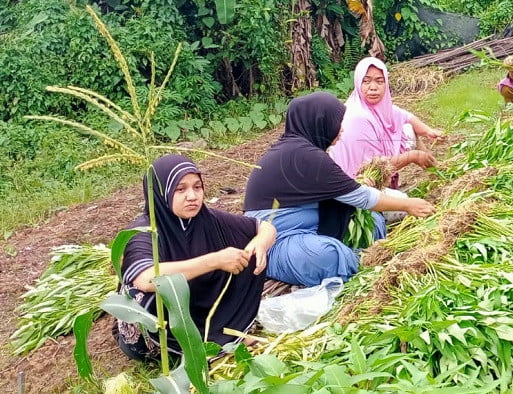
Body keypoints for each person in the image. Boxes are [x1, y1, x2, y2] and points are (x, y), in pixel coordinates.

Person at [243, 92, 436, 287]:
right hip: (276, 240)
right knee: (328, 256)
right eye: (336, 123)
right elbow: (361, 197)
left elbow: (344, 191)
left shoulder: (302, 150)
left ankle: (357, 255)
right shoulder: (303, 155)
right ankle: (356, 260)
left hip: (310, 226)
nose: (341, 129)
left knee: (373, 221)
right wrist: (408, 205)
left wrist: (357, 184)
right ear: (320, 123)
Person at [114, 154, 277, 361]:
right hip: (159, 328)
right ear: (160, 192)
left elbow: (266, 227)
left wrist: (260, 243)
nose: (192, 196)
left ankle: (226, 334)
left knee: (249, 254)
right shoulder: (143, 232)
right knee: (159, 290)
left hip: (200, 309)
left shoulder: (208, 220)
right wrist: (215, 260)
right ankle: (184, 350)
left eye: (197, 187)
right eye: (180, 189)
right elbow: (146, 279)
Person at [329, 57, 443, 182]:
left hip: (377, 169)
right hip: (359, 182)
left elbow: (407, 117)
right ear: (357, 83)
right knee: (406, 201)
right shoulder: (356, 117)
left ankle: (437, 170)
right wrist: (413, 156)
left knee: (409, 129)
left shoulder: (381, 107)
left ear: (386, 83)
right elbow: (375, 167)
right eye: (366, 81)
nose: (373, 87)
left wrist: (429, 132)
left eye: (379, 81)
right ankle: (434, 170)